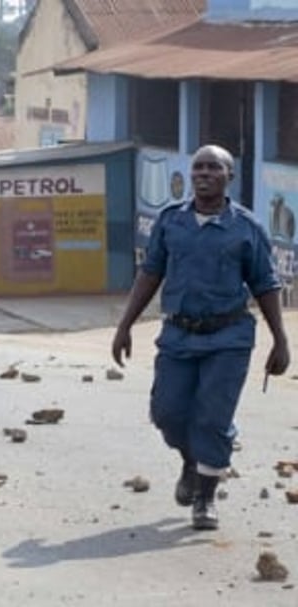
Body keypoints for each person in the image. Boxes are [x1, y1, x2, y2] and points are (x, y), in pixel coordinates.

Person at [112, 144, 289, 531]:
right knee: (167, 413)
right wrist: (124, 325)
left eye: (213, 167)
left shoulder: (246, 228)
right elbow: (150, 274)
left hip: (229, 338)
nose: (203, 174)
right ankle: (194, 461)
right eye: (198, 168)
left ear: (229, 176)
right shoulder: (171, 221)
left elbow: (265, 284)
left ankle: (205, 498)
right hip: (178, 335)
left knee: (212, 416)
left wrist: (281, 339)